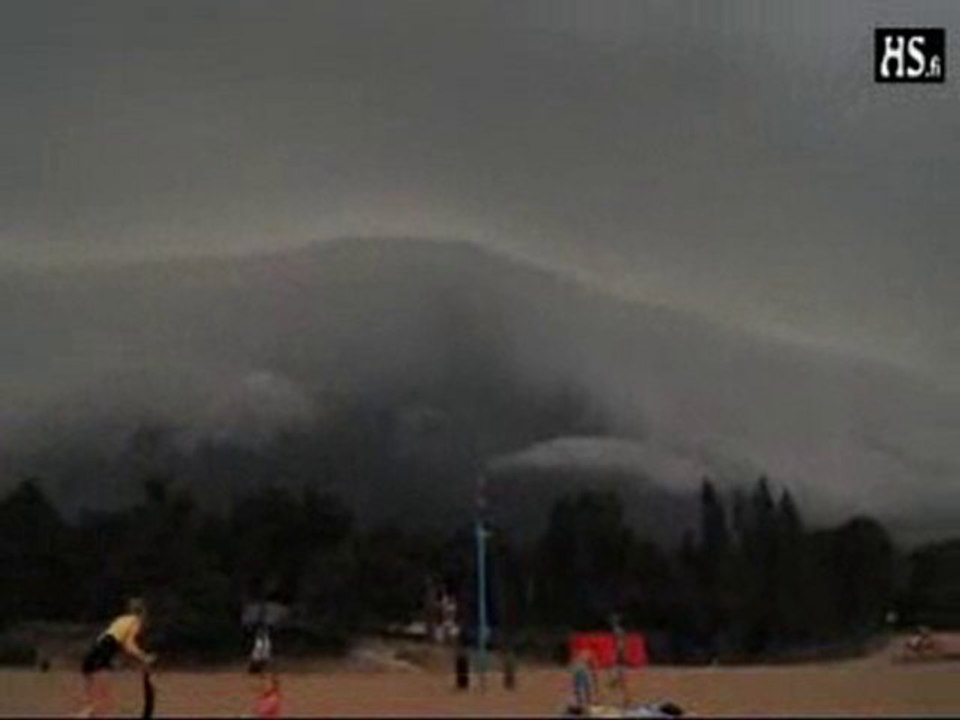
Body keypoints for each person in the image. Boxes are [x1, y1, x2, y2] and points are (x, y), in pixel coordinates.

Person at [79, 597, 155, 718]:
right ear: (142, 613)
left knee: (95, 702)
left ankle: (87, 712)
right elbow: (129, 645)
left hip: (94, 652)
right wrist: (143, 657)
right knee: (103, 701)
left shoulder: (122, 619)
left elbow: (116, 641)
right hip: (102, 655)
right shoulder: (135, 621)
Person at [569, 647, 598, 714]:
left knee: (581, 689)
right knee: (582, 689)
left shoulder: (585, 657)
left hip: (580, 671)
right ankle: (585, 705)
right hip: (581, 671)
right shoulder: (586, 658)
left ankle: (585, 704)